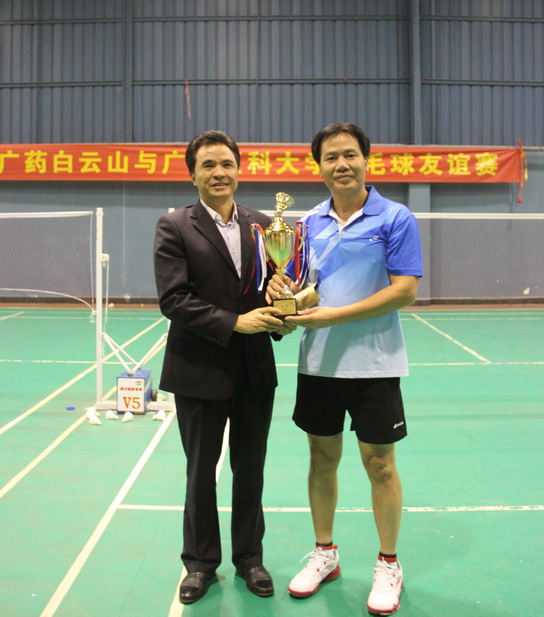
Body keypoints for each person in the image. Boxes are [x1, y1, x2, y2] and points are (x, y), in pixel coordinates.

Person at [267, 123, 422, 615]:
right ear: (319, 167)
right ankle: (325, 554)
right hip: (319, 363)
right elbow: (308, 286)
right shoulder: (306, 223)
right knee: (321, 459)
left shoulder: (395, 217)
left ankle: (388, 563)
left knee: (380, 465)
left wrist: (333, 315)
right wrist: (286, 298)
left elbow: (404, 290)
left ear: (366, 160)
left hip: (376, 362)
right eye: (331, 157)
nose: (342, 164)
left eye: (350, 154)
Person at [154, 130, 291, 605]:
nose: (219, 173)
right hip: (197, 369)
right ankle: (199, 564)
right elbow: (174, 299)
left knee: (250, 469)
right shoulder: (175, 226)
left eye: (227, 164)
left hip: (254, 370)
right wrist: (236, 323)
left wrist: (281, 311)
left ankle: (250, 558)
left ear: (239, 169)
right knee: (200, 472)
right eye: (208, 165)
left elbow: (270, 287)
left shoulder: (263, 225)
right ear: (192, 174)